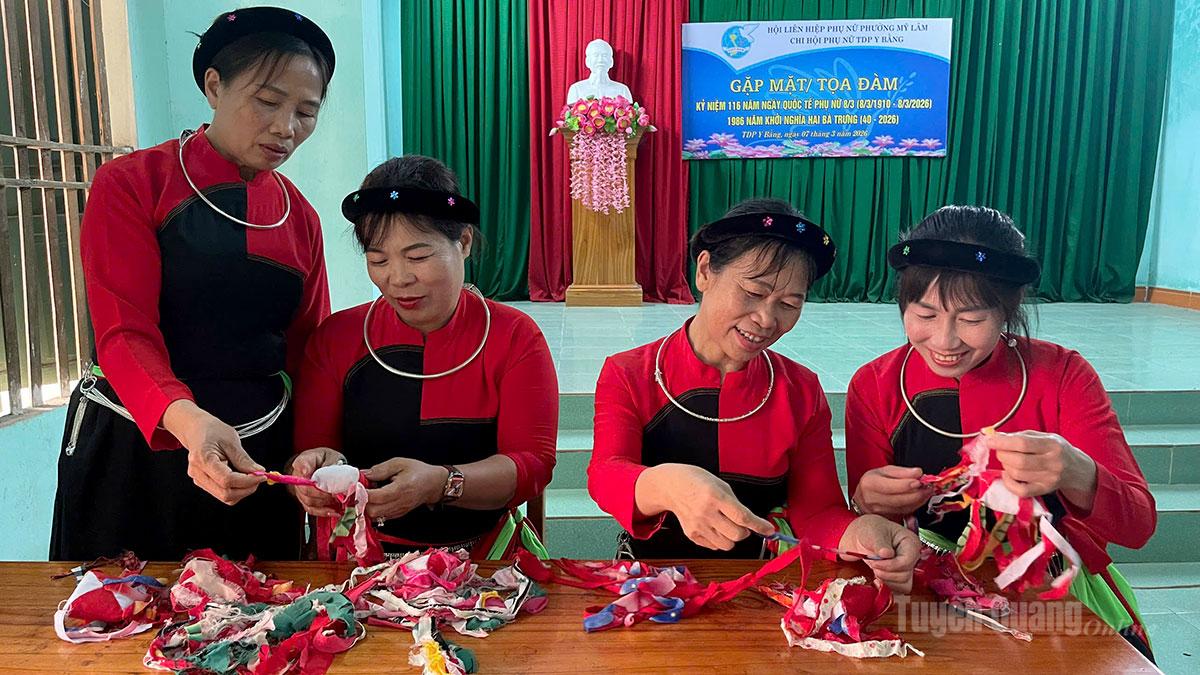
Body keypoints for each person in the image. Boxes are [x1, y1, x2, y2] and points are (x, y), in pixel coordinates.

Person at [51, 7, 335, 561]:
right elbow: (123, 332)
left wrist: (316, 447)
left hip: (257, 456)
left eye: (306, 111)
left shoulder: (299, 217)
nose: (286, 128)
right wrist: (188, 422)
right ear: (213, 86)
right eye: (268, 101)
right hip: (136, 446)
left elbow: (310, 352)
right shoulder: (133, 183)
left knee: (264, 603)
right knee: (125, 603)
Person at [846, 205, 1156, 658]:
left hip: (1049, 600)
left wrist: (1077, 471)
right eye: (925, 314)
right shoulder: (875, 385)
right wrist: (866, 503)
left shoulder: (1063, 375)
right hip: (920, 601)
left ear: (1007, 310)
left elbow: (1139, 525)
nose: (945, 341)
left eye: (972, 319)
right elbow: (867, 529)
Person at [587, 198, 920, 592]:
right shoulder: (631, 373)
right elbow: (605, 474)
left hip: (761, 589)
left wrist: (863, 533)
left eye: (789, 304)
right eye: (752, 292)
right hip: (651, 588)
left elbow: (818, 513)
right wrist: (666, 485)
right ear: (705, 271)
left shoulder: (800, 391)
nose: (766, 319)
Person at [288, 155, 557, 558]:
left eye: (417, 257)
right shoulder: (336, 338)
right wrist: (314, 467)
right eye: (378, 260)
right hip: (357, 562)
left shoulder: (515, 337)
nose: (398, 278)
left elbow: (532, 465)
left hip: (482, 562)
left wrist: (439, 484)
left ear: (463, 242)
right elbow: (309, 449)